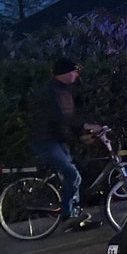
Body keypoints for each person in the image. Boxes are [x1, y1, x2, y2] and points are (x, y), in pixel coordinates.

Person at [29, 57, 104, 232]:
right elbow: (61, 118)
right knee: (72, 174)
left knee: (73, 175)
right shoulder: (51, 92)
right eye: (74, 71)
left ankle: (75, 219)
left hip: (57, 140)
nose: (77, 74)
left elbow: (67, 121)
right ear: (64, 73)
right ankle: (67, 215)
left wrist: (81, 135)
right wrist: (86, 127)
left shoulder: (64, 91)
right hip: (45, 141)